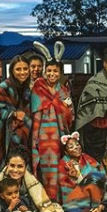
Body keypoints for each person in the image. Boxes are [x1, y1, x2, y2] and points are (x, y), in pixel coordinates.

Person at [31, 54, 74, 203]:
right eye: (49, 71)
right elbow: (33, 109)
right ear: (44, 71)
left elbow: (70, 114)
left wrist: (63, 108)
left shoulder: (63, 91)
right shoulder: (38, 87)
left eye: (55, 71)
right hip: (41, 134)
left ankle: (57, 202)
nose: (52, 74)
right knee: (43, 169)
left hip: (58, 135)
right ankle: (43, 202)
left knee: (58, 169)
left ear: (60, 73)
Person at [0, 55, 32, 175]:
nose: (22, 72)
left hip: (18, 133)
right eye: (18, 69)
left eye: (25, 69)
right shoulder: (3, 87)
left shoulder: (26, 89)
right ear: (12, 71)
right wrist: (12, 113)